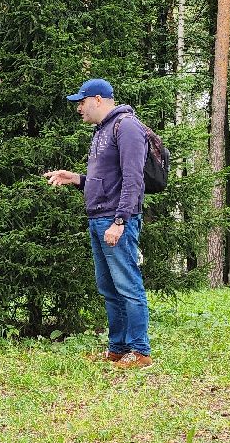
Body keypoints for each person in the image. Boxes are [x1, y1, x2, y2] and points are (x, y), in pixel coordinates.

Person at [45, 78, 152, 368]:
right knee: (109, 287)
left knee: (128, 285)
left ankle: (140, 352)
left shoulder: (127, 126)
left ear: (98, 99)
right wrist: (76, 179)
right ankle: (118, 348)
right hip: (98, 218)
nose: (79, 108)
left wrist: (120, 221)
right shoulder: (101, 130)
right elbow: (107, 180)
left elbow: (133, 179)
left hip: (116, 219)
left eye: (81, 102)